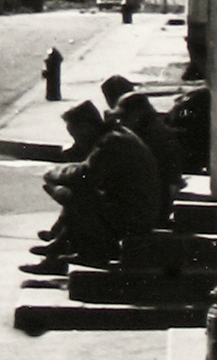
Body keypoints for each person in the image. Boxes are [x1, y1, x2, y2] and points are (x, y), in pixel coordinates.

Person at [22, 99, 159, 274]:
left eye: (75, 134)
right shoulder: (116, 135)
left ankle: (76, 254)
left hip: (136, 215)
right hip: (136, 208)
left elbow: (85, 175)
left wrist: (55, 173)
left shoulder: (112, 142)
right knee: (83, 193)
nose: (76, 140)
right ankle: (61, 247)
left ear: (86, 127)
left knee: (78, 195)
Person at [115, 89, 186, 224]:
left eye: (124, 117)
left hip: (151, 205)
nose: (120, 122)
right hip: (153, 200)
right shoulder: (151, 131)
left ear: (137, 114)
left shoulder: (151, 138)